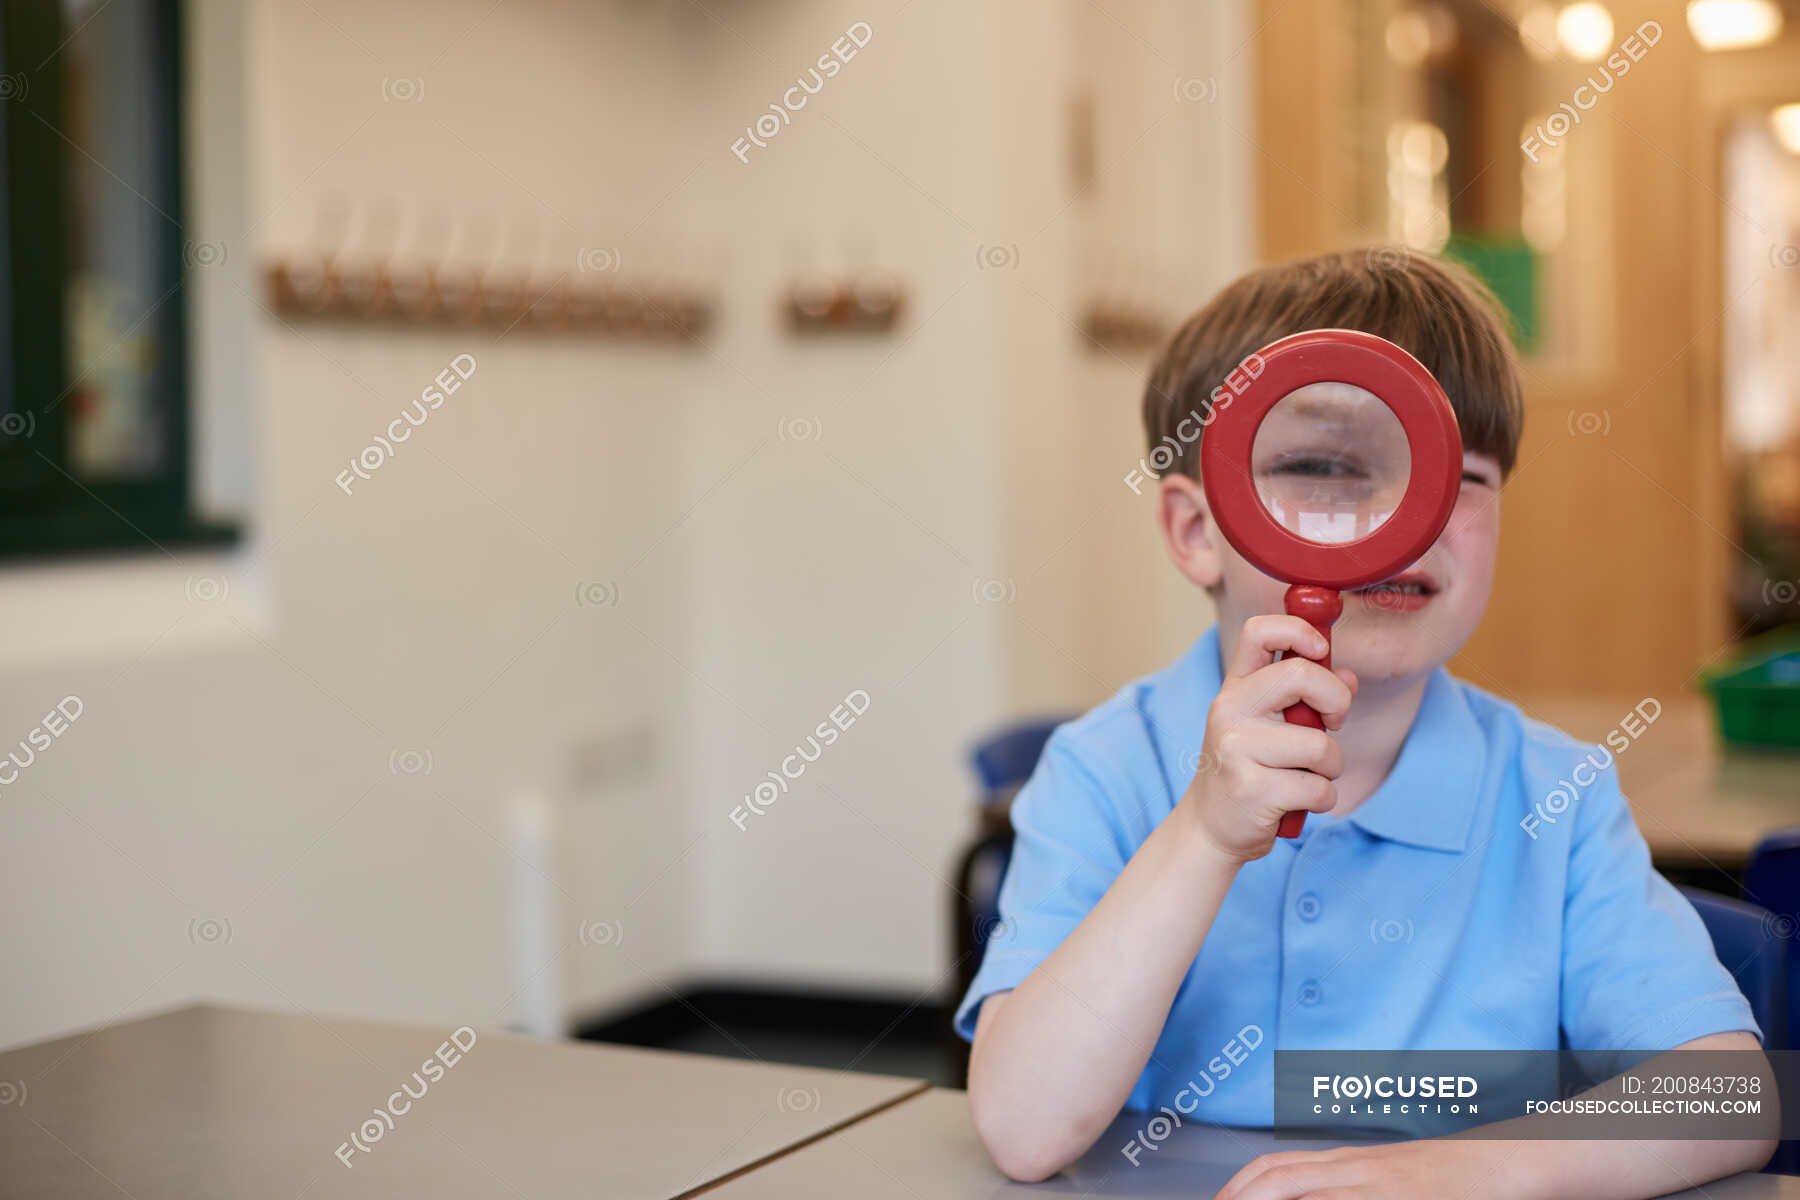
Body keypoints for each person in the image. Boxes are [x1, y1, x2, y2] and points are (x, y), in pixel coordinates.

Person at [958, 248, 1777, 1196]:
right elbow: (1022, 1131)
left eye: (1458, 476)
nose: (1404, 513)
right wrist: (1204, 834)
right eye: (1321, 466)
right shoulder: (1106, 768)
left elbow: (1727, 1097)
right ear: (1196, 533)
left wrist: (1459, 1171)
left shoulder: (1555, 798)